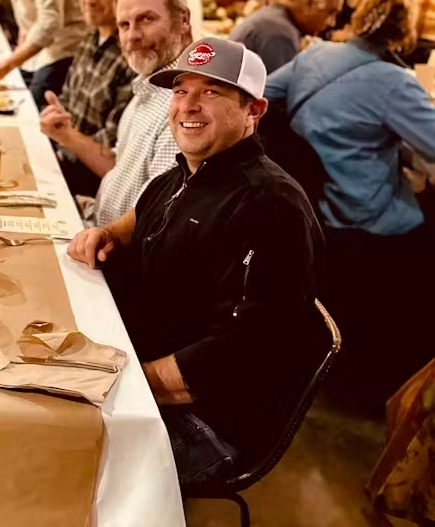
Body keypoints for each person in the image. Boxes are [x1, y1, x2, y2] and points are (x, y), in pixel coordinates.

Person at [68, 37, 323, 484]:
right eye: (182, 91)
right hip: (144, 366)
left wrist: (123, 385)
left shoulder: (272, 206)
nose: (189, 105)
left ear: (254, 111)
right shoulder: (184, 173)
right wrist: (106, 233)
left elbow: (244, 352)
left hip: (209, 420)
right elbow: (140, 219)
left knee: (44, 443)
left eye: (212, 92)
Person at [265, 0, 435, 406]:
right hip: (366, 214)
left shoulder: (313, 56)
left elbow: (260, 96)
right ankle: (393, 382)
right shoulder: (393, 83)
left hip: (314, 203)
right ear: (402, 38)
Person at [85, 0, 191, 226]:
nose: (132, 35)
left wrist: (103, 234)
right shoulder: (147, 87)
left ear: (183, 20)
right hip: (94, 228)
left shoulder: (183, 106)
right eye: (124, 25)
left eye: (146, 19)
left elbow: (156, 213)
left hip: (113, 255)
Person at [38, 0, 139, 197]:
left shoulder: (134, 55)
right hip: (63, 161)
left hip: (94, 186)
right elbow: (68, 103)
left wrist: (66, 140)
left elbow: (114, 148)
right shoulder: (89, 37)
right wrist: (56, 120)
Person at [230, 0, 342, 74]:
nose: (332, 23)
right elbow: (278, 91)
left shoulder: (275, 17)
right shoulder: (280, 33)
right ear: (309, 4)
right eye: (330, 13)